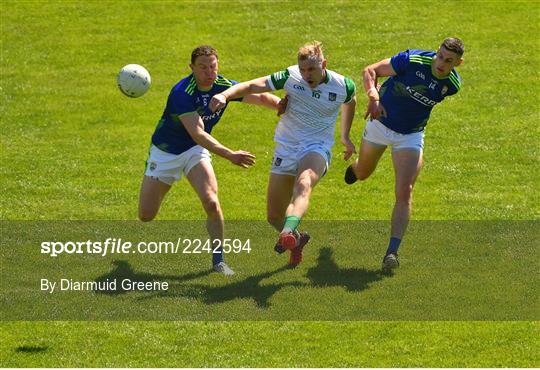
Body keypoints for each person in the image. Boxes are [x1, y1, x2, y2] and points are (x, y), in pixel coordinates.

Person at [138, 45, 284, 275]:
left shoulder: (222, 86)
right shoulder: (182, 93)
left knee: (212, 202)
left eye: (213, 67)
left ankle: (218, 261)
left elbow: (260, 96)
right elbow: (198, 132)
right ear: (192, 68)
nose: (209, 72)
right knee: (146, 215)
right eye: (203, 68)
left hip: (195, 151)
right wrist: (230, 154)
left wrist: (280, 106)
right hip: (166, 153)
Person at [210, 41, 356, 266]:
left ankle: (288, 231)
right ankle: (296, 239)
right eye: (303, 69)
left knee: (304, 182)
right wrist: (226, 95)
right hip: (286, 147)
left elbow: (350, 101)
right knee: (273, 216)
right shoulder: (289, 76)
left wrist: (345, 136)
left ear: (324, 64)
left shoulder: (343, 85)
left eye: (312, 69)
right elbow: (252, 85)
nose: (307, 75)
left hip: (317, 146)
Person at [344, 37, 464, 272]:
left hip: (410, 135)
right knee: (364, 173)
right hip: (380, 122)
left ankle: (392, 252)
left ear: (457, 63)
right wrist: (373, 96)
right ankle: (356, 168)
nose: (441, 62)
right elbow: (370, 70)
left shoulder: (452, 85)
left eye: (448, 60)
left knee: (404, 190)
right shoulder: (412, 60)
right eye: (440, 55)